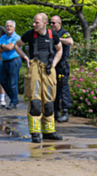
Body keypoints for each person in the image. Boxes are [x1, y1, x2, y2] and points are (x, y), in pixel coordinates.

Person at [14, 12, 63, 143]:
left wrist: (53, 64)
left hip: (48, 69)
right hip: (34, 68)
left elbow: (59, 49)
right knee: (35, 102)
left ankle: (49, 132)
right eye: (34, 22)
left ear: (44, 23)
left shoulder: (54, 35)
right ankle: (35, 133)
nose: (34, 24)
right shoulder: (29, 34)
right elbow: (17, 45)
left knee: (48, 102)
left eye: (37, 22)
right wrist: (25, 58)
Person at [49, 15, 73, 123]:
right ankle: (56, 111)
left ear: (59, 23)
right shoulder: (50, 33)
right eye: (51, 23)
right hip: (53, 65)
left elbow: (70, 42)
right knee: (54, 89)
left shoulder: (64, 33)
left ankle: (66, 112)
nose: (52, 25)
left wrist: (58, 39)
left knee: (64, 89)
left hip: (62, 66)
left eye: (54, 23)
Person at [0, 20, 21, 110]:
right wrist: (5, 46)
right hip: (5, 61)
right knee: (2, 81)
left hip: (14, 61)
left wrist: (2, 46)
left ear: (14, 28)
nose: (9, 28)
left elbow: (11, 47)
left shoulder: (17, 37)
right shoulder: (3, 37)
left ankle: (13, 103)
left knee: (13, 82)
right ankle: (14, 98)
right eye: (7, 26)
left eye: (10, 26)